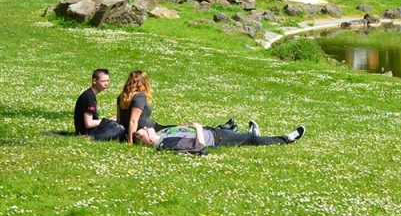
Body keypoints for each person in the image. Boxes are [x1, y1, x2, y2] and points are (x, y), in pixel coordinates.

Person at [135, 121, 304, 152]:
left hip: (215, 131)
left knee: (245, 138)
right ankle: (286, 139)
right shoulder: (165, 143)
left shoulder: (161, 134)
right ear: (148, 140)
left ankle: (251, 134)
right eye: (143, 131)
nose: (146, 128)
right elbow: (199, 147)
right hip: (217, 139)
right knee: (252, 140)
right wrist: (198, 128)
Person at [74, 68, 124, 141]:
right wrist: (108, 121)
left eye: (108, 81)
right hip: (88, 133)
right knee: (121, 129)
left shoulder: (90, 95)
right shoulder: (89, 97)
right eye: (103, 81)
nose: (106, 84)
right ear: (94, 81)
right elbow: (88, 123)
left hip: (91, 131)